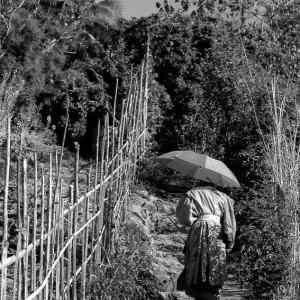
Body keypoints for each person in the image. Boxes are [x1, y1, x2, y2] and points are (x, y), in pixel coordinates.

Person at [176, 184, 236, 300]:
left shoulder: (192, 194)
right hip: (216, 231)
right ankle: (212, 291)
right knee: (214, 261)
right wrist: (229, 241)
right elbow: (229, 223)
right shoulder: (224, 197)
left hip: (198, 230)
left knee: (196, 258)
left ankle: (197, 290)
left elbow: (185, 219)